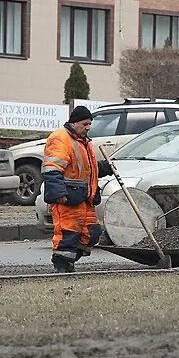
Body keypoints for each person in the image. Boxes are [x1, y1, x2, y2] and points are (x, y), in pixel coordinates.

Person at [42, 106, 112, 273]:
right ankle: (62, 267)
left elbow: (85, 168)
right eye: (85, 123)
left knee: (92, 233)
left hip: (84, 197)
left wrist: (103, 168)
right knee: (68, 235)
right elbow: (52, 168)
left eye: (90, 124)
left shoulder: (83, 141)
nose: (88, 127)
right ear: (74, 123)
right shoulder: (60, 139)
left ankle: (69, 260)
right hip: (67, 198)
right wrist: (58, 193)